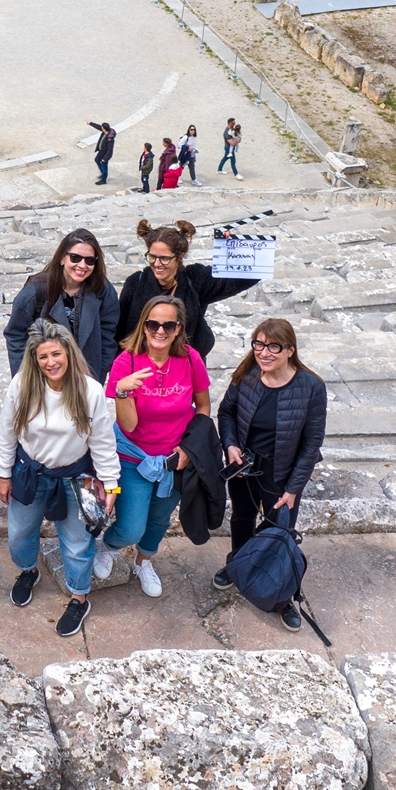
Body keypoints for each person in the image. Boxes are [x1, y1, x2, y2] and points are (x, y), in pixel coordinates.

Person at [0, 320, 120, 637]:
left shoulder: (89, 390)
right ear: (34, 360)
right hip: (31, 472)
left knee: (79, 543)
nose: (51, 362)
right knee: (19, 532)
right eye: (43, 357)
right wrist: (4, 473)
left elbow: (103, 442)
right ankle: (28, 570)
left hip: (78, 476)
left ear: (68, 352)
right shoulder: (21, 385)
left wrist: (111, 485)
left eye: (56, 354)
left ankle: (79, 597)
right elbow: (7, 431)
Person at [94, 293, 211, 599]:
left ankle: (143, 562)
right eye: (153, 324)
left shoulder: (191, 359)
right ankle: (107, 545)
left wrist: (189, 448)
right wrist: (122, 391)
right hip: (134, 458)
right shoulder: (126, 362)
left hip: (174, 460)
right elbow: (129, 426)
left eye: (169, 325)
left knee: (158, 521)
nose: (160, 331)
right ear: (143, 326)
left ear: (179, 328)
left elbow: (203, 408)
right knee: (131, 527)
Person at [215, 318, 328, 632]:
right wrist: (231, 445)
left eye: (273, 346)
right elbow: (226, 412)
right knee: (241, 518)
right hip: (245, 467)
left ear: (290, 350)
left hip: (282, 472)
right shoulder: (246, 375)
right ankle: (239, 565)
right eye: (259, 344)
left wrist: (293, 488)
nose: (264, 353)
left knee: (279, 531)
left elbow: (311, 442)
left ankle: (284, 597)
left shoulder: (311, 386)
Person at [115, 219, 261, 358]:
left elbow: (247, 276)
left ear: (180, 257)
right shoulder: (135, 283)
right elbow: (119, 331)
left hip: (186, 368)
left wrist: (232, 248)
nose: (157, 264)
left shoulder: (196, 279)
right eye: (152, 257)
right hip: (144, 368)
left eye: (164, 258)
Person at [4, 228, 120, 381]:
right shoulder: (35, 291)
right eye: (75, 258)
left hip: (85, 379)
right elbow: (15, 335)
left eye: (89, 260)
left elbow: (109, 334)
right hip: (43, 379)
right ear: (62, 258)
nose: (82, 265)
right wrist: (24, 379)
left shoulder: (103, 291)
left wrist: (98, 374)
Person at [88, 120, 116, 186]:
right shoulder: (105, 132)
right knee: (96, 160)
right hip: (101, 151)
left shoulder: (110, 139)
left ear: (105, 129)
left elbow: (109, 150)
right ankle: (103, 173)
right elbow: (98, 127)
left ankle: (104, 180)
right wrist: (91, 123)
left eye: (102, 128)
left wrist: (105, 158)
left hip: (105, 155)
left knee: (104, 166)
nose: (101, 128)